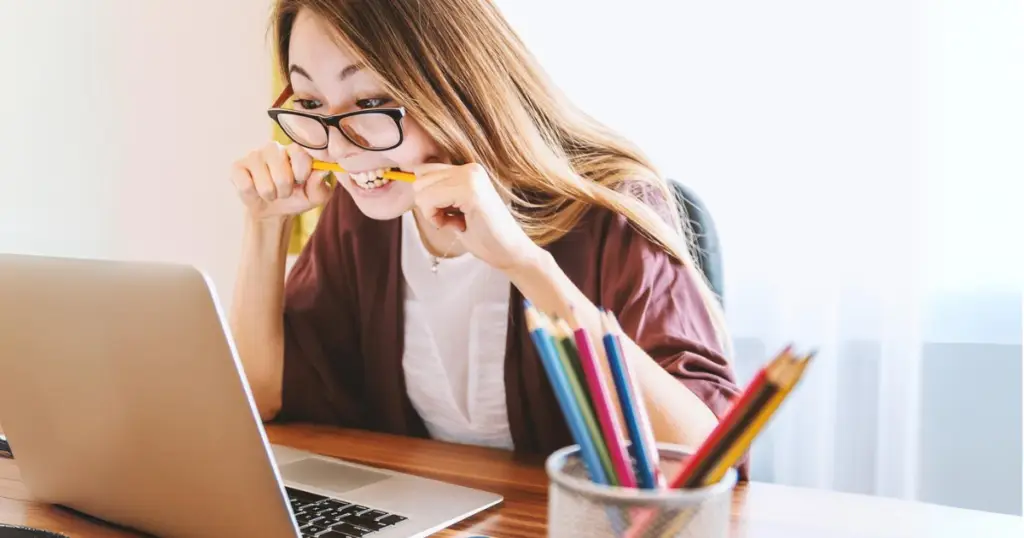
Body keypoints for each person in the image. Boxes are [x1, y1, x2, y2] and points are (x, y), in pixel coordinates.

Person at [229, 0, 743, 471]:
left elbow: (702, 457)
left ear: (455, 84)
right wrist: (266, 225)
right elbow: (260, 397)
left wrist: (526, 264)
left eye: (371, 99)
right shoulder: (361, 217)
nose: (340, 148)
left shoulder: (611, 210)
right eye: (313, 104)